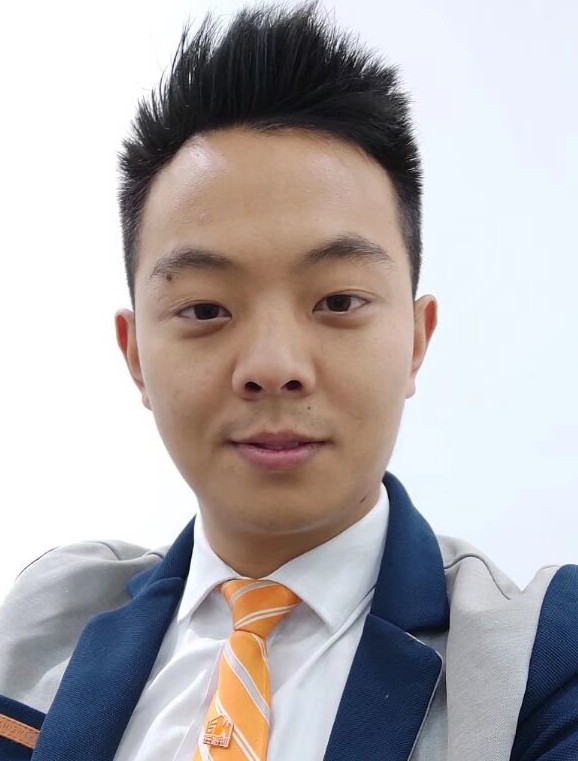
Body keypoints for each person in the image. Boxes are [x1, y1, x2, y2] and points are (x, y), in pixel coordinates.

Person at [0, 2, 576, 759]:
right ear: (134, 353)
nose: (274, 367)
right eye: (205, 309)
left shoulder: (538, 657)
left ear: (416, 339)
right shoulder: (47, 620)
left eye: (337, 302)